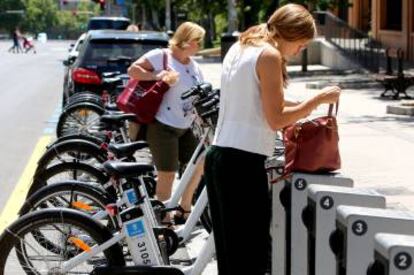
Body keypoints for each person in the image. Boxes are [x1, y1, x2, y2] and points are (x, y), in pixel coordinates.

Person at [203, 4, 341, 275]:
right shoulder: (268, 56)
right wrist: (317, 100)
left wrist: (303, 105)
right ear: (289, 34)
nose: (300, 51)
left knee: (232, 256)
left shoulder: (241, 47)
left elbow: (261, 101)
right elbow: (276, 118)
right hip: (241, 163)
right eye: (301, 44)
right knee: (251, 256)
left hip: (220, 156)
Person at [127, 22, 206, 225]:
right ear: (187, 41)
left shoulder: (194, 65)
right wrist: (158, 76)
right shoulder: (161, 56)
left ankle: (184, 208)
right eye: (198, 41)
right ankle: (163, 217)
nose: (200, 46)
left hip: (187, 124)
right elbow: (133, 70)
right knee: (167, 174)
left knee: (198, 165)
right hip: (163, 125)